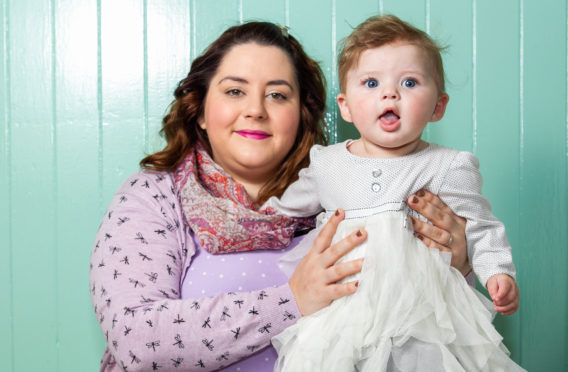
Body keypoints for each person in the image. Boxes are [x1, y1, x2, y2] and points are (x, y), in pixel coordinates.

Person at [89, 21, 471, 372]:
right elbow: (135, 339)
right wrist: (291, 301)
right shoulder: (155, 197)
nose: (255, 110)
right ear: (201, 111)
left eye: (277, 95)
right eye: (235, 91)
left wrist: (457, 266)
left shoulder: (354, 195)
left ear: (301, 116)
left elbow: (423, 334)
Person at [252, 15, 524, 371]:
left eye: (409, 82)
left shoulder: (447, 166)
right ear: (346, 106)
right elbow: (285, 209)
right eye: (370, 82)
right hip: (346, 315)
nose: (389, 93)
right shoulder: (328, 163)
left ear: (438, 106)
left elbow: (480, 227)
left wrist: (497, 274)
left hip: (424, 317)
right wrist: (256, 218)